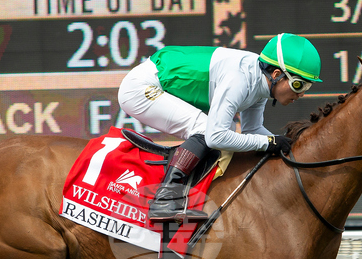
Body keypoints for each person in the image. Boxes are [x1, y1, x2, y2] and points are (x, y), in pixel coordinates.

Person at [117, 33, 322, 222]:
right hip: (141, 88)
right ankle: (164, 199)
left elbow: (253, 131)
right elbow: (215, 137)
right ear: (276, 73)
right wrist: (270, 142)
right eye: (298, 85)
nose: (302, 94)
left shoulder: (261, 83)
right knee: (208, 129)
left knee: (225, 128)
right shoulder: (240, 80)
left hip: (159, 79)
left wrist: (288, 147)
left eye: (308, 87)